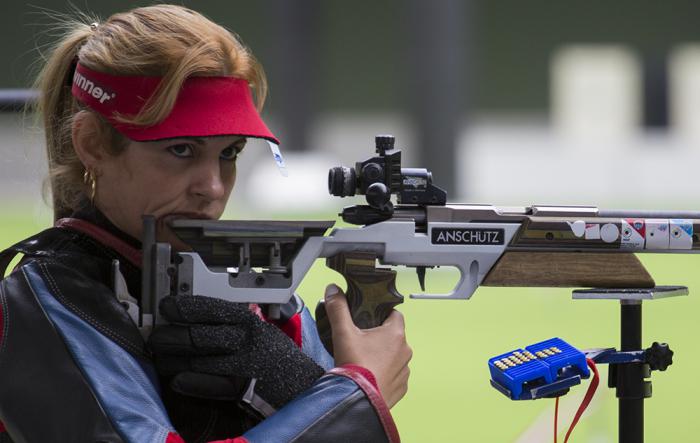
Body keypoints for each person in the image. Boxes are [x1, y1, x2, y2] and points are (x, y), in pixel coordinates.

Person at [0, 5, 411, 442]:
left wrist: (294, 382)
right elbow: (348, 406)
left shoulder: (239, 285)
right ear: (93, 143)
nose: (213, 187)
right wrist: (355, 395)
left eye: (229, 153)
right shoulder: (38, 301)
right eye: (180, 150)